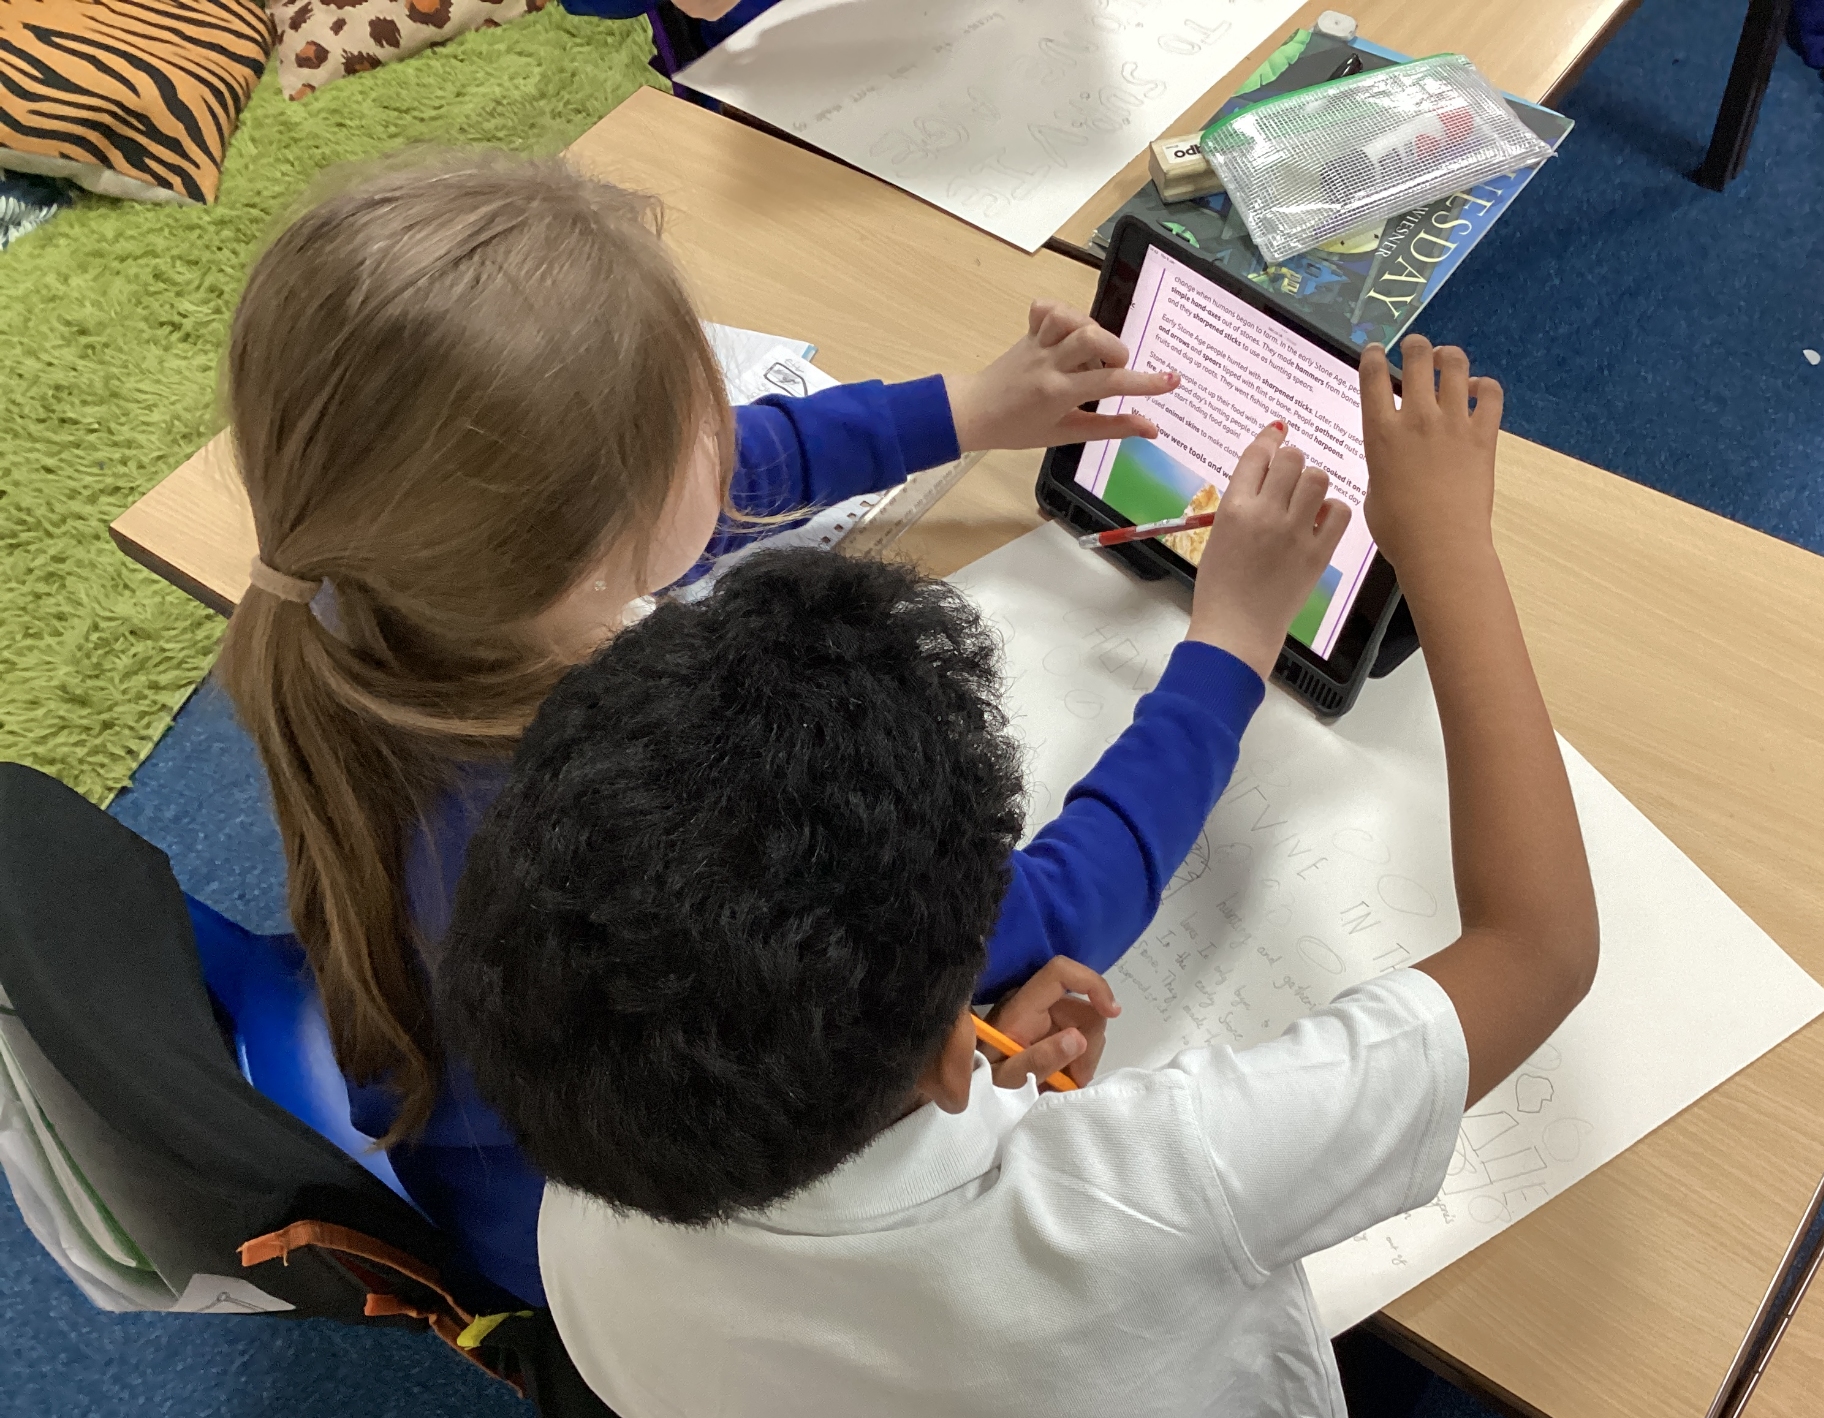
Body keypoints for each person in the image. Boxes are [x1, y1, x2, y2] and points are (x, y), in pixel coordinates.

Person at [436, 337, 1600, 1418]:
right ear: (954, 1055)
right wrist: (1446, 544)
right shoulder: (1155, 1184)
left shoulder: (572, 1227)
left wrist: (964, 1053)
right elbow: (1538, 947)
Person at [215, 148, 1206, 1308]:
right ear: (585, 534)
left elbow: (706, 484)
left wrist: (964, 410)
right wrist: (1226, 652)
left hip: (483, 1168)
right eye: (697, 424)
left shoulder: (370, 614)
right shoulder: (648, 830)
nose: (728, 439)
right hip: (640, 1271)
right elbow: (1023, 914)